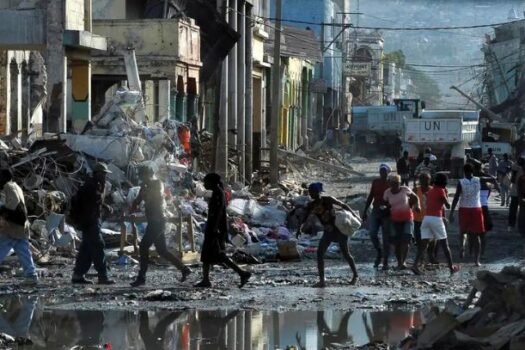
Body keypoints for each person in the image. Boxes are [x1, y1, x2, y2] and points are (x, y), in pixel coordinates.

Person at [130, 166, 191, 287]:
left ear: (149, 174)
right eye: (141, 176)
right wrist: (134, 205)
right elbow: (138, 200)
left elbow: (156, 197)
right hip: (153, 221)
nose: (142, 178)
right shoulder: (144, 186)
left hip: (158, 221)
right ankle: (184, 269)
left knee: (143, 247)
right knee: (162, 250)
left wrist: (145, 192)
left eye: (144, 175)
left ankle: (141, 277)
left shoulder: (157, 183)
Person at [195, 173, 251, 288]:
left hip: (215, 229)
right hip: (214, 228)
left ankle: (242, 273)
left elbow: (218, 213)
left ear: (212, 182)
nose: (204, 184)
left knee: (216, 255)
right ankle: (206, 279)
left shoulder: (218, 193)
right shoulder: (217, 192)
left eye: (206, 182)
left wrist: (215, 229)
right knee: (209, 255)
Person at [302, 182, 358, 287]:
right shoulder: (311, 205)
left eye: (312, 192)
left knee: (346, 253)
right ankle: (322, 280)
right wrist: (298, 229)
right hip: (328, 231)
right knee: (319, 254)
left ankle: (355, 276)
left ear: (318, 192)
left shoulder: (328, 199)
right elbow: (305, 216)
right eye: (310, 192)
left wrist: (353, 214)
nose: (310, 194)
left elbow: (343, 205)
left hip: (339, 230)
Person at [71, 163, 114, 285]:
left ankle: (78, 275)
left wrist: (105, 206)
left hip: (91, 222)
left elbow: (96, 203)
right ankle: (103, 276)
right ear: (98, 174)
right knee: (98, 246)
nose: (106, 176)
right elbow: (87, 206)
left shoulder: (96, 185)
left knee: (86, 249)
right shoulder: (90, 187)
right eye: (104, 174)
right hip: (90, 222)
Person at [412, 173, 458, 275]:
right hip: (436, 219)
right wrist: (445, 194)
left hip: (426, 219)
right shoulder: (441, 190)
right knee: (445, 245)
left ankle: (415, 265)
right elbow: (447, 205)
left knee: (423, 245)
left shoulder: (430, 191)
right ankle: (452, 267)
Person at [0, 168, 38, 285]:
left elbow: (13, 203)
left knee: (1, 248)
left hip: (12, 226)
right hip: (23, 225)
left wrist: (3, 211)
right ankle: (31, 275)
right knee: (24, 251)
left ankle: (31, 275)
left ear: (5, 178)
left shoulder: (8, 186)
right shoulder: (16, 186)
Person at [449, 163, 485, 266]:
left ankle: (462, 246)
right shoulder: (479, 179)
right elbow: (492, 179)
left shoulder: (461, 182)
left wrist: (451, 212)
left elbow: (456, 197)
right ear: (472, 171)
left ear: (464, 171)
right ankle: (476, 261)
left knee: (463, 231)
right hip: (476, 208)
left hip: (464, 208)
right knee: (476, 235)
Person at [383, 174, 420, 270]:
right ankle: (399, 262)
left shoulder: (405, 189)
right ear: (389, 183)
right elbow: (385, 203)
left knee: (406, 240)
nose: (395, 185)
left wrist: (417, 206)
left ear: (399, 183)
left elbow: (415, 197)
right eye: (393, 183)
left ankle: (403, 261)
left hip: (407, 218)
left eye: (397, 183)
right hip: (394, 220)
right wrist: (385, 209)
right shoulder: (387, 193)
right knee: (396, 243)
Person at [362, 164, 392, 270]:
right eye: (381, 172)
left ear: (388, 173)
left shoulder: (391, 183)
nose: (382, 174)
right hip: (376, 210)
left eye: (384, 172)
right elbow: (371, 196)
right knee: (372, 233)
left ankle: (385, 261)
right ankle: (379, 252)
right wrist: (365, 210)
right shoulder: (375, 182)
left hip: (387, 212)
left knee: (386, 237)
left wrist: (390, 207)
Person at [413, 173, 438, 264]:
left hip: (430, 218)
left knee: (432, 239)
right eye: (423, 179)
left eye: (427, 179)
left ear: (430, 180)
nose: (425, 181)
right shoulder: (415, 190)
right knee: (419, 240)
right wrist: (415, 206)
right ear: (420, 180)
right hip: (418, 220)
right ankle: (421, 259)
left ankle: (430, 256)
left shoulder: (433, 190)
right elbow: (410, 202)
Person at [508, 157, 524, 232]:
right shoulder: (518, 168)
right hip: (517, 191)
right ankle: (512, 225)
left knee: (515, 209)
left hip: (517, 191)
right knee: (515, 209)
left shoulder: (516, 167)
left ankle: (512, 225)